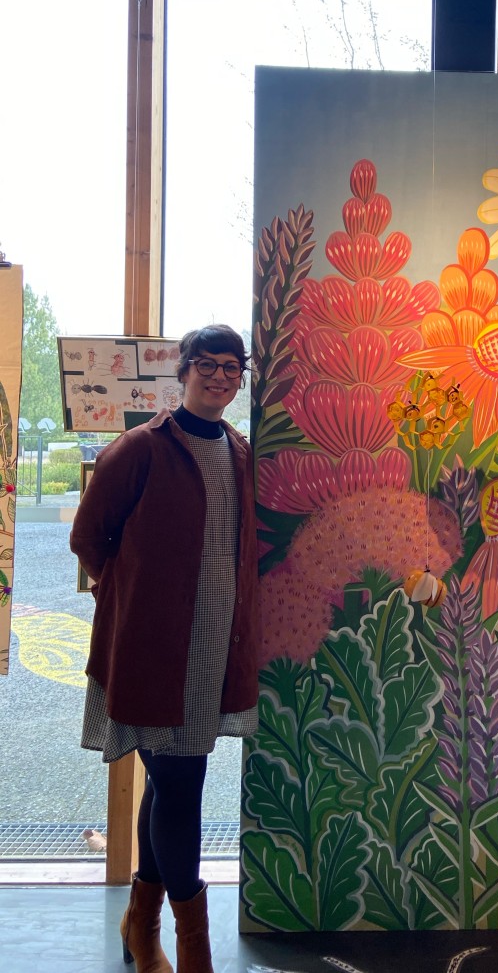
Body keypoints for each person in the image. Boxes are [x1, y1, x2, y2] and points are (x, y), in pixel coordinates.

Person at [71, 325, 260, 973]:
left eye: (231, 366)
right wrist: (131, 598)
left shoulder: (239, 450)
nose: (219, 376)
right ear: (182, 371)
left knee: (171, 781)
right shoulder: (141, 447)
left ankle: (140, 921)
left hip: (213, 645)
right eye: (207, 364)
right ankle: (192, 948)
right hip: (152, 650)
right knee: (182, 788)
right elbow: (89, 536)